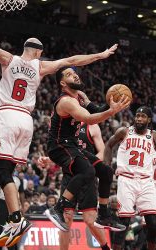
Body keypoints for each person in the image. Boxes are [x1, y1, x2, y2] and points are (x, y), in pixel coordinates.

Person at [0, 25, 119, 247]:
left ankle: (16, 219)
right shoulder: (41, 66)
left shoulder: (9, 59)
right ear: (38, 52)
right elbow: (74, 60)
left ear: (25, 49)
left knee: (2, 171)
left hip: (8, 114)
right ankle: (14, 218)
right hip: (27, 120)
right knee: (11, 171)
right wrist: (101, 55)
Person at [44, 67, 130, 232]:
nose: (75, 75)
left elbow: (95, 111)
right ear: (63, 83)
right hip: (59, 145)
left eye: (75, 73)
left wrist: (107, 104)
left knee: (105, 171)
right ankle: (58, 209)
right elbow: (89, 118)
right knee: (87, 172)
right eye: (69, 74)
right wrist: (112, 111)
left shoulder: (78, 98)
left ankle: (103, 214)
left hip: (72, 145)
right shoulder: (66, 101)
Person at [103, 106, 156, 250]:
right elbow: (109, 145)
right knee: (124, 221)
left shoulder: (153, 135)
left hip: (146, 182)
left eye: (143, 116)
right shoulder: (124, 131)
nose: (139, 118)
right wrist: (107, 166)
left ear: (149, 120)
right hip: (127, 179)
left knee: (152, 223)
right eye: (137, 115)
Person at [0, 175, 25, 250]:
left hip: (14, 204)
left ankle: (11, 248)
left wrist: (23, 206)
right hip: (2, 203)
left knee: (13, 227)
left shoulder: (19, 179)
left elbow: (21, 193)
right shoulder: (0, 177)